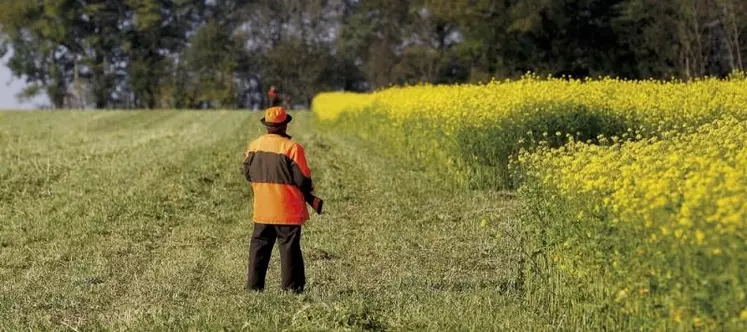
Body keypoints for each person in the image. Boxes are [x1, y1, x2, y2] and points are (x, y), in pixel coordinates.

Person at [242, 107, 314, 293]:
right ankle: (292, 289)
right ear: (284, 125)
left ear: (266, 126)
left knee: (259, 248)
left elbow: (247, 174)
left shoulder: (253, 146)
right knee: (289, 249)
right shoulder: (292, 148)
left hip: (262, 209)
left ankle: (254, 288)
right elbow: (303, 180)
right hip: (287, 210)